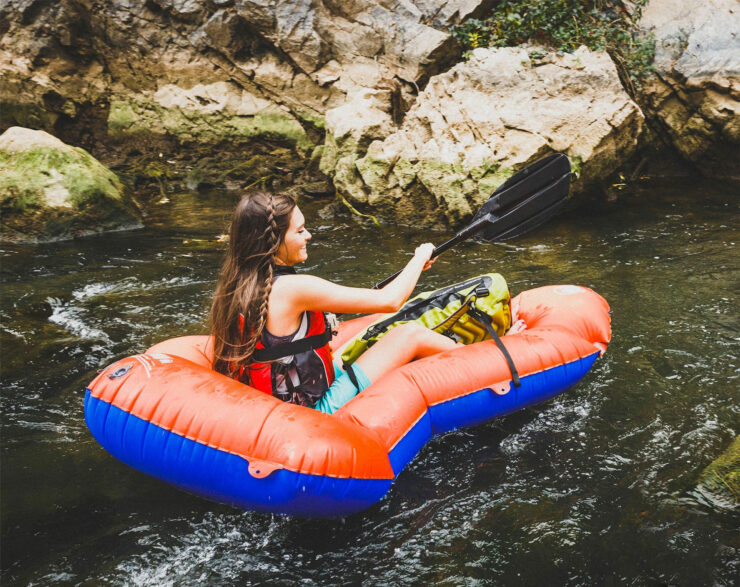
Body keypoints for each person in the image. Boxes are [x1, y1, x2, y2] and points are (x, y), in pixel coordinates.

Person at [210, 191, 457, 414]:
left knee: (370, 330)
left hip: (279, 401)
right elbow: (390, 301)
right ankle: (483, 360)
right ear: (274, 241)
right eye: (299, 231)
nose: (308, 235)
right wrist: (420, 257)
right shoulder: (293, 288)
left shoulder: (239, 282)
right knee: (408, 334)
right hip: (311, 412)